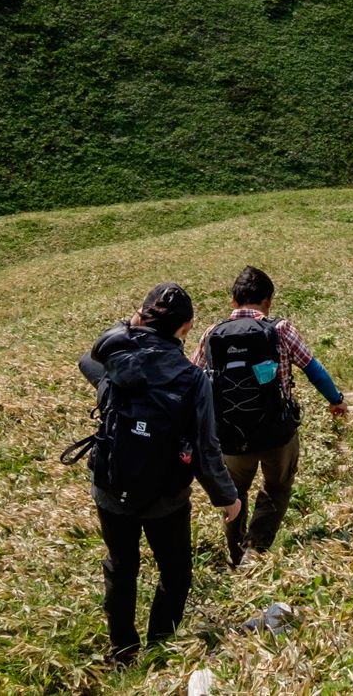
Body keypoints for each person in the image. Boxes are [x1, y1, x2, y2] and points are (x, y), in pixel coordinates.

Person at [73, 283, 241, 666]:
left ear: (142, 316)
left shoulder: (116, 360)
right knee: (176, 572)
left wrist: (129, 326)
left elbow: (88, 358)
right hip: (166, 498)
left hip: (112, 486)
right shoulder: (193, 380)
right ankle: (160, 647)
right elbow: (205, 450)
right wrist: (227, 497)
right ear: (187, 327)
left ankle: (123, 651)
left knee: (121, 566)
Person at [192, 265, 349, 568]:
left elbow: (192, 380)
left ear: (233, 300)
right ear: (268, 301)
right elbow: (313, 369)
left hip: (230, 436)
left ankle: (236, 553)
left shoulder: (212, 334)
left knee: (234, 493)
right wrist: (336, 400)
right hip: (277, 433)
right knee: (277, 487)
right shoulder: (280, 329)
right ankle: (255, 549)